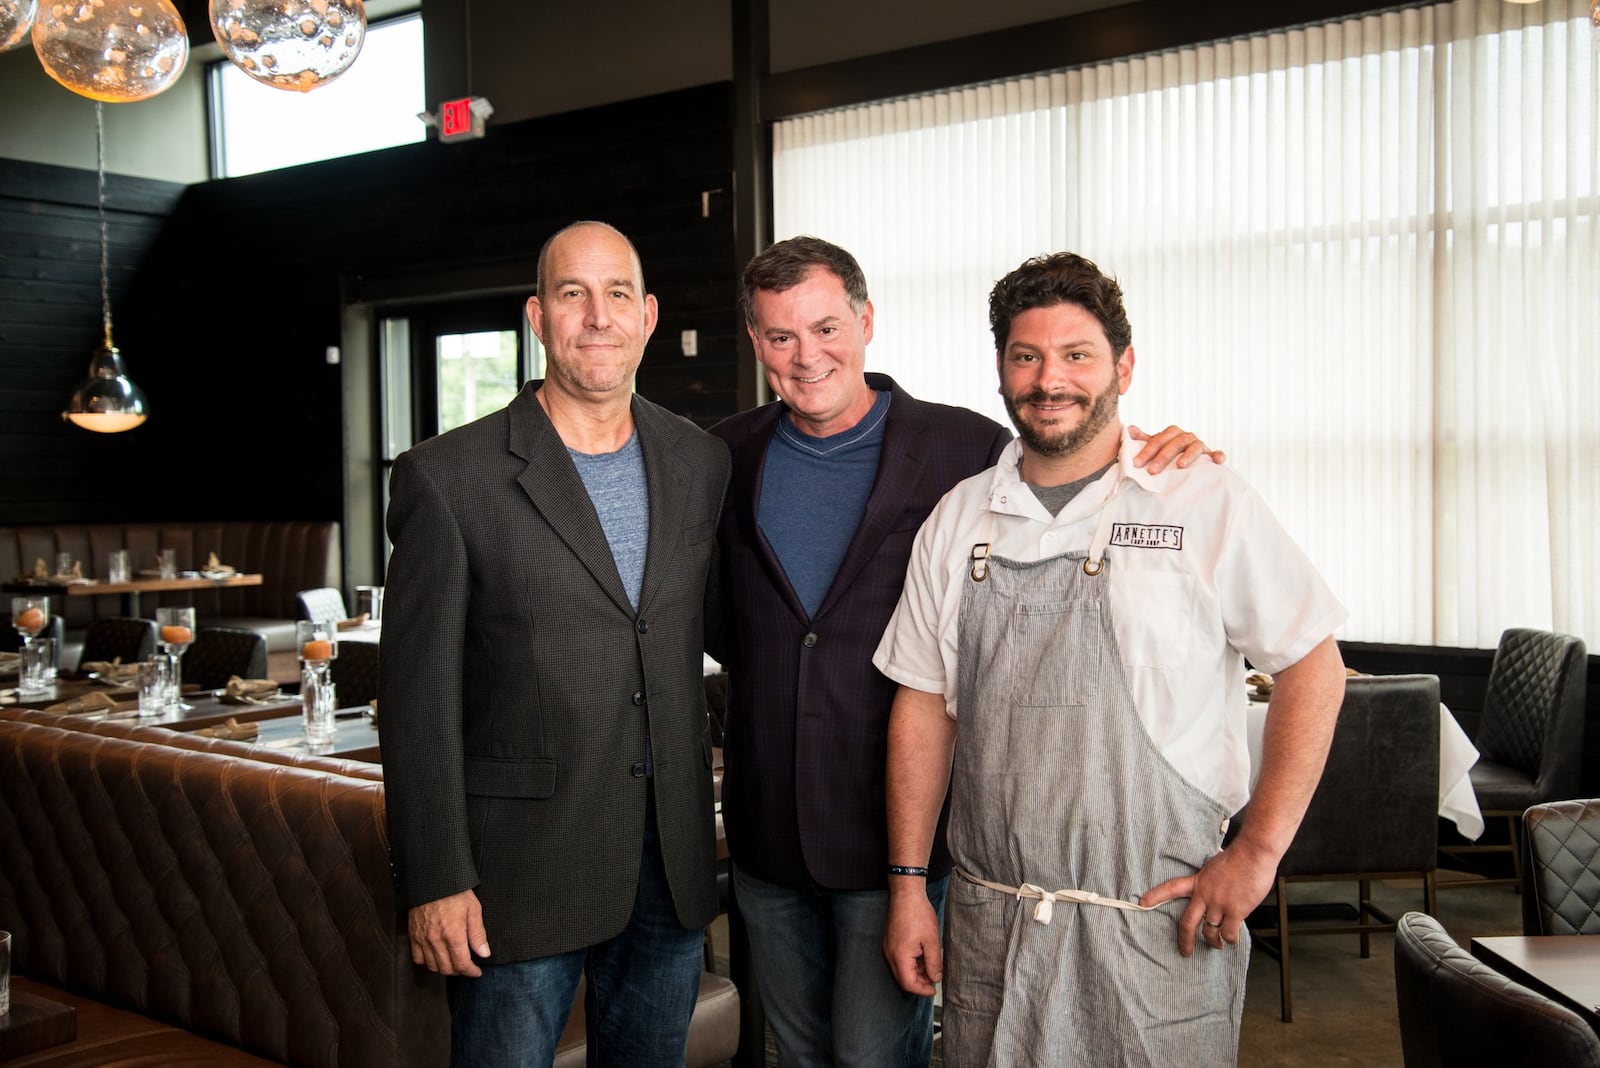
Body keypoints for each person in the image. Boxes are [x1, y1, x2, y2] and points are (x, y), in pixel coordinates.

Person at [708, 236, 1216, 1067]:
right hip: (767, 833)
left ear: (866, 321)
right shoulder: (724, 456)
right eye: (779, 336)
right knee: (794, 1055)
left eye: (827, 328)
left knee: (876, 1056)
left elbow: (1076, 452)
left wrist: (1162, 449)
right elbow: (719, 619)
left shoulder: (966, 450)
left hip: (898, 836)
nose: (807, 357)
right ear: (757, 341)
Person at [876, 251, 1348, 1066]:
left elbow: (1314, 665)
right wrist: (909, 886)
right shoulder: (960, 519)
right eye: (1026, 356)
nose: (1049, 379)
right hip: (996, 929)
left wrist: (1259, 854)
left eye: (1076, 355)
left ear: (1123, 366)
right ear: (1000, 371)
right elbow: (923, 705)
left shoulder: (1200, 500)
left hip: (1156, 929)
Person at [379, 220, 731, 1066]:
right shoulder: (447, 476)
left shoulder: (701, 460)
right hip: (517, 873)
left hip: (670, 865)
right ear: (539, 318)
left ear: (648, 315)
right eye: (574, 294)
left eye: (618, 295)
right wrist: (435, 879)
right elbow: (417, 702)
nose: (597, 316)